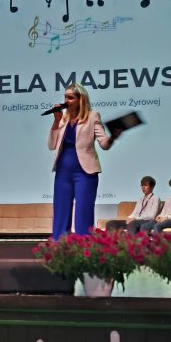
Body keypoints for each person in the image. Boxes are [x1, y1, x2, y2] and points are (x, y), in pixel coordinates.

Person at [48, 84, 119, 240]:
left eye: (70, 97)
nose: (66, 100)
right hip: (62, 173)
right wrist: (56, 121)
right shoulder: (62, 119)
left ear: (81, 99)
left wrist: (113, 137)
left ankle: (84, 247)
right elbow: (51, 145)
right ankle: (59, 247)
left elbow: (104, 144)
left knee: (83, 213)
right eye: (65, 97)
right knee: (60, 212)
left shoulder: (92, 116)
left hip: (85, 173)